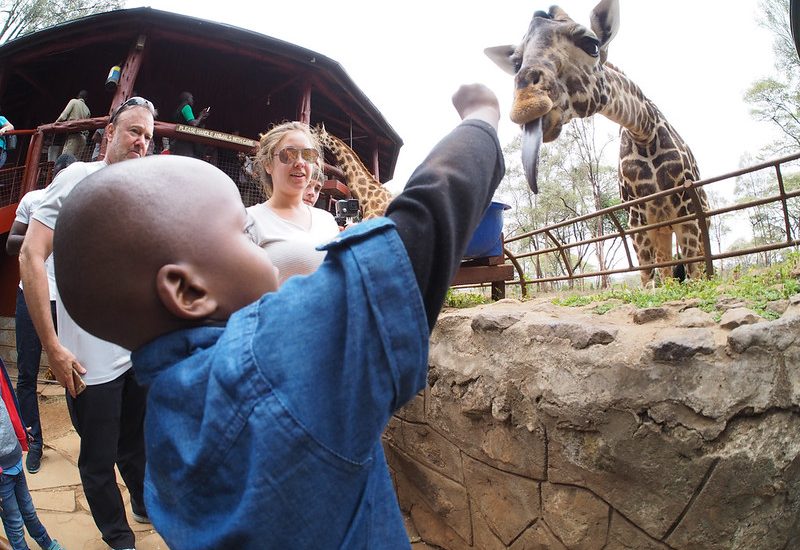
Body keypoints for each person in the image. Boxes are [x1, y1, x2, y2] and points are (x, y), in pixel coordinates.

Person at [51, 83, 504, 549]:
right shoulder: (268, 362)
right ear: (188, 291)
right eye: (235, 233)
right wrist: (481, 118)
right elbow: (421, 230)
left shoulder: (167, 421)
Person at [19, 96, 157, 550]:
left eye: (149, 137)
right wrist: (54, 348)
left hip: (132, 353)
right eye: (134, 131)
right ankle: (119, 539)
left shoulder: (141, 192)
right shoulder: (79, 177)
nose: (141, 142)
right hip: (88, 358)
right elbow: (30, 254)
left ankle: (142, 503)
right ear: (110, 135)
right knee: (98, 460)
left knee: (134, 445)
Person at [6, 154, 76, 475]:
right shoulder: (33, 199)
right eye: (62, 175)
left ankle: (85, 432)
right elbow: (11, 243)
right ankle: (34, 441)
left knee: (74, 369)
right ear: (54, 174)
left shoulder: (79, 205)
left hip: (66, 300)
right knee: (27, 371)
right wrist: (43, 237)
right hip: (30, 296)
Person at [247, 121, 340, 284]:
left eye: (308, 155)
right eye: (288, 154)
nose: (300, 162)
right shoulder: (249, 220)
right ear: (268, 164)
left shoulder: (327, 220)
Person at [0, 358, 65, 550]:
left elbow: (9, 402)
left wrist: (19, 429)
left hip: (13, 456)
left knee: (28, 510)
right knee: (14, 521)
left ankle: (46, 543)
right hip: (1, 472)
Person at [170, 91, 209, 157]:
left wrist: (200, 117)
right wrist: (201, 116)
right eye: (192, 98)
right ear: (187, 99)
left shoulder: (179, 109)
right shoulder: (186, 107)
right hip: (184, 142)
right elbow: (193, 123)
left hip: (177, 140)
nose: (193, 100)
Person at [55, 90, 90, 158]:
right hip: (83, 139)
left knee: (65, 161)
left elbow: (63, 116)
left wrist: (55, 123)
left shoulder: (73, 101)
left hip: (73, 135)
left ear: (78, 96)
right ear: (86, 99)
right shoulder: (88, 110)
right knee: (74, 163)